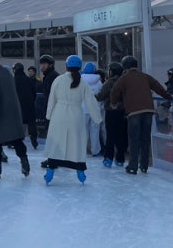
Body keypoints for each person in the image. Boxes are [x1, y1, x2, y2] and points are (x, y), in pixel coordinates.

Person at [43, 55, 102, 184]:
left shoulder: (58, 80)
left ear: (66, 66)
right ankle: (80, 171)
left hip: (59, 114)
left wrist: (48, 115)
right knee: (76, 143)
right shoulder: (83, 83)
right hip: (76, 115)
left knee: (57, 143)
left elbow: (51, 99)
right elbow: (91, 102)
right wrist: (97, 118)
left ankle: (50, 170)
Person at [110, 56, 170, 175]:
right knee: (145, 139)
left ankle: (133, 166)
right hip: (148, 111)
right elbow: (158, 87)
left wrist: (113, 103)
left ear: (125, 66)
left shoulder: (124, 78)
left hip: (134, 112)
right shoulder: (145, 77)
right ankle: (144, 165)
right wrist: (168, 97)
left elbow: (114, 91)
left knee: (134, 139)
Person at [0, 47, 30, 179]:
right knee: (15, 138)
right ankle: (24, 161)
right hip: (13, 110)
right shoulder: (7, 72)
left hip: (0, 111)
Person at [98, 62, 127, 167]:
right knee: (121, 135)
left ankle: (108, 158)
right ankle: (120, 158)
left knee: (110, 135)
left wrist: (92, 96)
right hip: (123, 111)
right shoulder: (125, 81)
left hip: (111, 111)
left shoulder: (109, 82)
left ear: (112, 71)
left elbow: (101, 96)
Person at [12, 62, 38, 149]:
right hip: (29, 105)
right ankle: (34, 138)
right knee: (31, 123)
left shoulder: (14, 80)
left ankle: (16, 140)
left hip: (18, 106)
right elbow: (34, 93)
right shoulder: (28, 80)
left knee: (17, 124)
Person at [80, 62, 103, 156]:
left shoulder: (81, 81)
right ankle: (95, 150)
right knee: (95, 131)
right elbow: (101, 95)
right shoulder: (99, 82)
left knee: (83, 131)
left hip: (83, 109)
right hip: (95, 110)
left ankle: (82, 150)